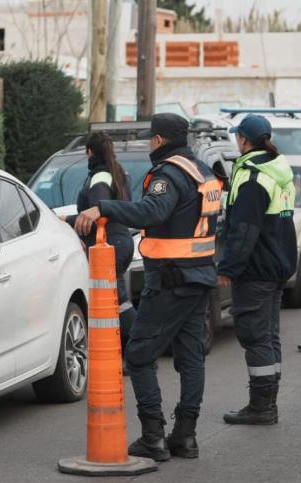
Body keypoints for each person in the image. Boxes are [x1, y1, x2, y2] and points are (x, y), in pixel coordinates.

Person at [74, 113, 223, 461]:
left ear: (158, 140)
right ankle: (185, 436)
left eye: (149, 139)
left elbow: (152, 212)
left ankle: (153, 436)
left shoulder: (168, 174)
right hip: (199, 276)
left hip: (171, 281)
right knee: (190, 358)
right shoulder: (203, 171)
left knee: (139, 356)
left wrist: (103, 208)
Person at [216, 115, 297, 425]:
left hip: (256, 269)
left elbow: (245, 230)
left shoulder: (253, 178)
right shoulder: (277, 169)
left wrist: (229, 268)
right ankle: (268, 403)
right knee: (269, 336)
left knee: (255, 336)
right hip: (276, 264)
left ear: (243, 140)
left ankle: (261, 407)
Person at [63, 131, 137, 360]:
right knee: (118, 302)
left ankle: (140, 350)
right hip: (120, 241)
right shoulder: (117, 172)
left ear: (89, 152)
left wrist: (66, 221)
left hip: (108, 244)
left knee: (115, 305)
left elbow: (97, 213)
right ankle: (128, 353)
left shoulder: (100, 177)